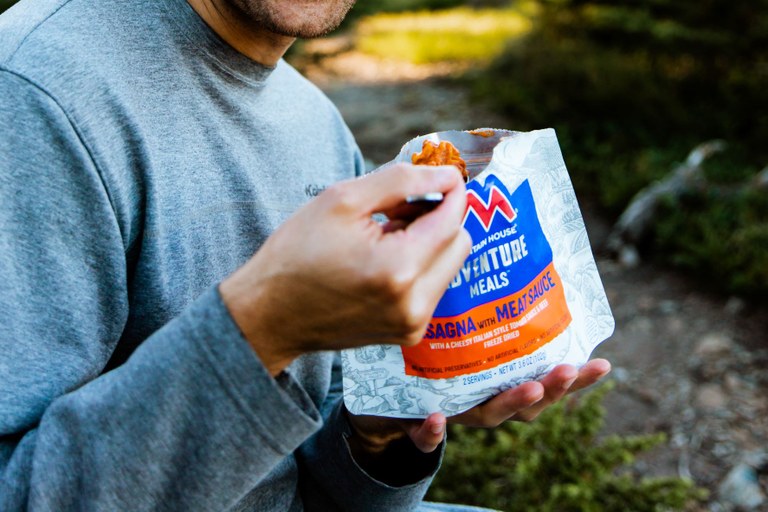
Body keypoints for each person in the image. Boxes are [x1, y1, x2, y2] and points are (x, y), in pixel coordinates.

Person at [0, 0, 611, 509]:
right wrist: (265, 326)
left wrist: (377, 434)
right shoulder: (33, 92)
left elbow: (305, 485)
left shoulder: (315, 120)